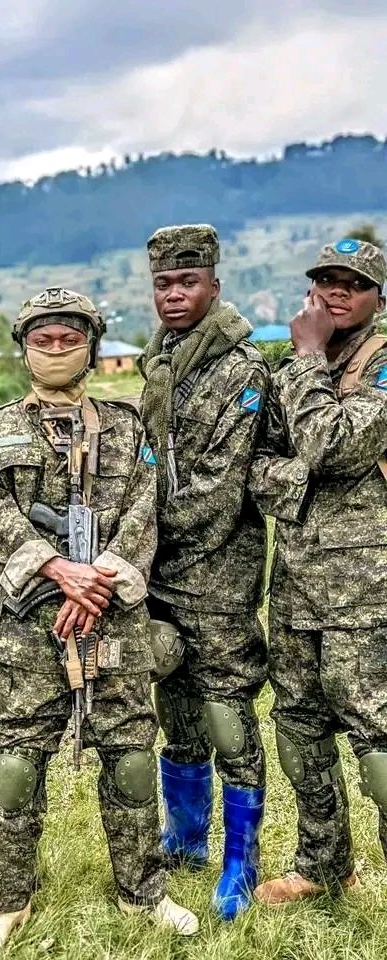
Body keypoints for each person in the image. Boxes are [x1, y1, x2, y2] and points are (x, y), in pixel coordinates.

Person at [0, 287, 198, 957]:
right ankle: (7, 900)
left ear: (92, 345)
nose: (58, 346)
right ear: (24, 346)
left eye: (71, 335)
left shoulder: (127, 428)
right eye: (45, 336)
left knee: (128, 758)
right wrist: (57, 570)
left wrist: (101, 579)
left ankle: (143, 892)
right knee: (15, 763)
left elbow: (144, 510)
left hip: (114, 620)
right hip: (25, 622)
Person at [138, 225, 270, 919]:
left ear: (214, 285)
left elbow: (221, 489)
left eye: (187, 282)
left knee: (226, 713)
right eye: (163, 283)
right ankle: (185, 838)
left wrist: (139, 531)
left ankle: (241, 861)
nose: (174, 294)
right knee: (176, 706)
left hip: (217, 574)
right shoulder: (158, 363)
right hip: (158, 574)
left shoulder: (241, 369)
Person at [250, 238, 387, 904]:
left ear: (377, 298)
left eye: (352, 284)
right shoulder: (294, 372)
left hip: (367, 588)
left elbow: (331, 445)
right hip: (297, 583)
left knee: (378, 738)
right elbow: (258, 466)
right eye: (326, 281)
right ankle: (324, 865)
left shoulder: (382, 365)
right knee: (299, 730)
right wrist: (306, 481)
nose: (335, 293)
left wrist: (305, 355)